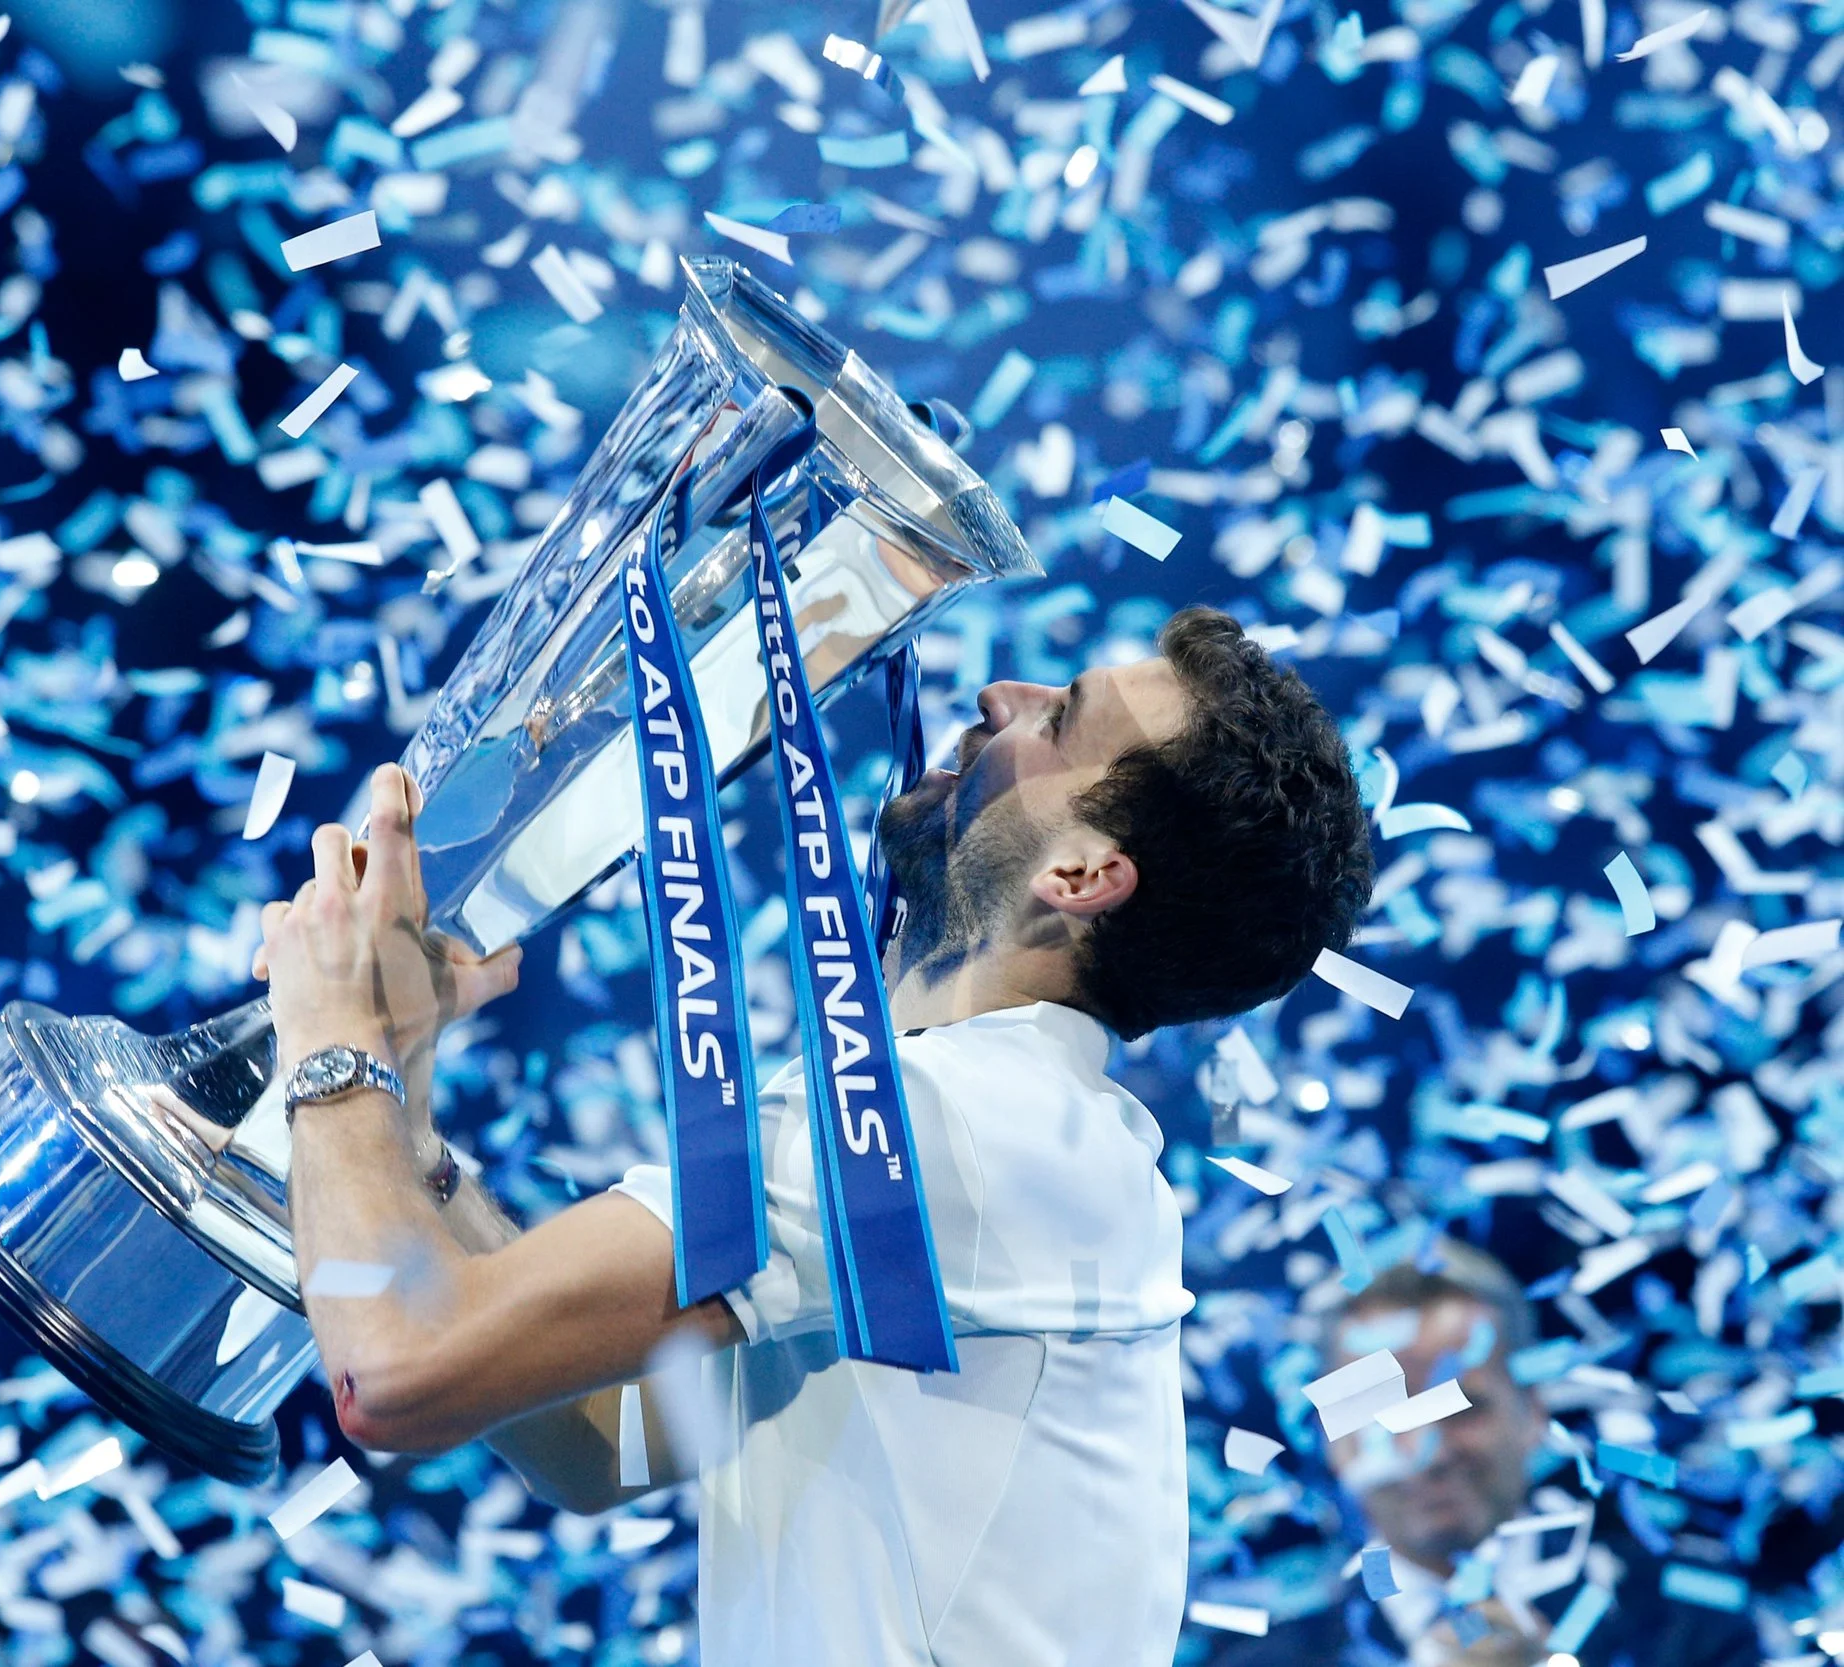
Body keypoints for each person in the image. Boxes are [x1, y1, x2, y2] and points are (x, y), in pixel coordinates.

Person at [225, 605, 1374, 1666]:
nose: (1001, 694)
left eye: (1061, 718)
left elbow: (398, 1372)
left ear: (1079, 874)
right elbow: (597, 1438)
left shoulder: (963, 1124)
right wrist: (405, 1115)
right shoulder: (1005, 1127)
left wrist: (335, 1039)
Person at [1213, 1244, 1761, 1667]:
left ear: (1534, 1413)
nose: (1424, 1452)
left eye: (1462, 1406)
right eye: (1382, 1415)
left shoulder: (1693, 1625)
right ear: (1332, 1440)